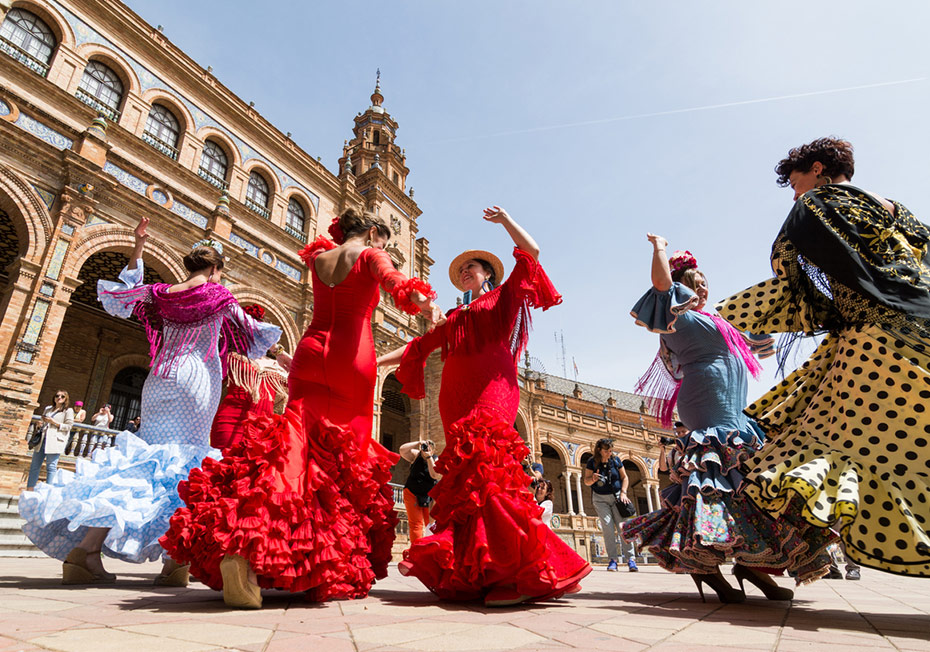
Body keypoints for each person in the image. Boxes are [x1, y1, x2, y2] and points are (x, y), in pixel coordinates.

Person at [161, 209, 442, 608]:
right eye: (384, 242)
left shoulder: (320, 258)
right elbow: (397, 283)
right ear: (373, 234)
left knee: (291, 449)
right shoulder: (369, 254)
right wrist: (425, 304)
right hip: (351, 360)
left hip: (310, 352)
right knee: (343, 461)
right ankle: (314, 558)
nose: (385, 249)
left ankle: (244, 547)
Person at [19, 217, 281, 586]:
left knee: (143, 460)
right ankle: (174, 562)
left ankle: (86, 551)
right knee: (186, 465)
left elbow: (124, 294)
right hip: (195, 379)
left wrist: (139, 246)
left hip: (158, 379)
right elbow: (251, 332)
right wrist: (282, 354)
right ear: (215, 270)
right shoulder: (218, 295)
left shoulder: (161, 293)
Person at [716, 137, 930, 578]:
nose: (794, 194)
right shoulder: (896, 210)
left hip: (873, 339)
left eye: (795, 183)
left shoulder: (818, 202)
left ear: (816, 170)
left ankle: (764, 554)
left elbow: (790, 272)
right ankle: (769, 555)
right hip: (920, 327)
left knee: (820, 450)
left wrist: (749, 318)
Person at [379, 206, 591, 606]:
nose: (465, 272)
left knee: (490, 470)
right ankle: (482, 570)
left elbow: (532, 253)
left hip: (493, 390)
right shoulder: (453, 316)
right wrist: (374, 362)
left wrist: (506, 220)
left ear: (487, 274)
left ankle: (515, 571)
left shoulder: (502, 298)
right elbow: (417, 348)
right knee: (468, 483)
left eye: (472, 268)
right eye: (461, 270)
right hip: (454, 398)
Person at [622, 237, 835, 603]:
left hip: (735, 410)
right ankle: (706, 565)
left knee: (749, 484)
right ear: (682, 287)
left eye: (706, 283)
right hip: (707, 406)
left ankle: (754, 563)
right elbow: (660, 285)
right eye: (696, 283)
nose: (704, 289)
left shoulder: (721, 320)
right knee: (716, 484)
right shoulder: (679, 317)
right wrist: (659, 249)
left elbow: (763, 330)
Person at [209, 303, 290, 450]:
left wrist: (279, 351)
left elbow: (304, 381)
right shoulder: (232, 357)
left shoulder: (279, 366)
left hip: (262, 432)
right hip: (228, 423)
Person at [583, 438, 637, 572]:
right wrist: (593, 479)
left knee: (622, 527)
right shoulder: (592, 462)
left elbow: (625, 477)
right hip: (600, 499)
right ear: (599, 450)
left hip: (617, 497)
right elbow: (586, 481)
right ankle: (613, 560)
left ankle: (631, 559)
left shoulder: (616, 460)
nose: (609, 453)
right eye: (606, 451)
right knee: (607, 528)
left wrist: (623, 493)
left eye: (611, 450)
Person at [25, 390, 74, 490]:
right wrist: (39, 424)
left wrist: (53, 422)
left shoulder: (68, 411)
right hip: (42, 439)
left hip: (55, 441)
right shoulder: (48, 409)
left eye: (62, 396)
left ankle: (48, 491)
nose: (59, 398)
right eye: (57, 396)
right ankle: (30, 489)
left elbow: (68, 426)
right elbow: (43, 422)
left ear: (66, 399)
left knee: (51, 466)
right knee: (34, 466)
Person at [399, 440, 440, 544]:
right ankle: (416, 549)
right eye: (425, 447)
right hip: (412, 492)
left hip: (429, 496)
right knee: (415, 524)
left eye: (429, 447)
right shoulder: (416, 455)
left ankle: (431, 547)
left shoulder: (435, 459)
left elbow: (434, 475)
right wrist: (418, 443)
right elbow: (402, 450)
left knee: (430, 523)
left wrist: (429, 457)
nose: (426, 449)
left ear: (433, 450)